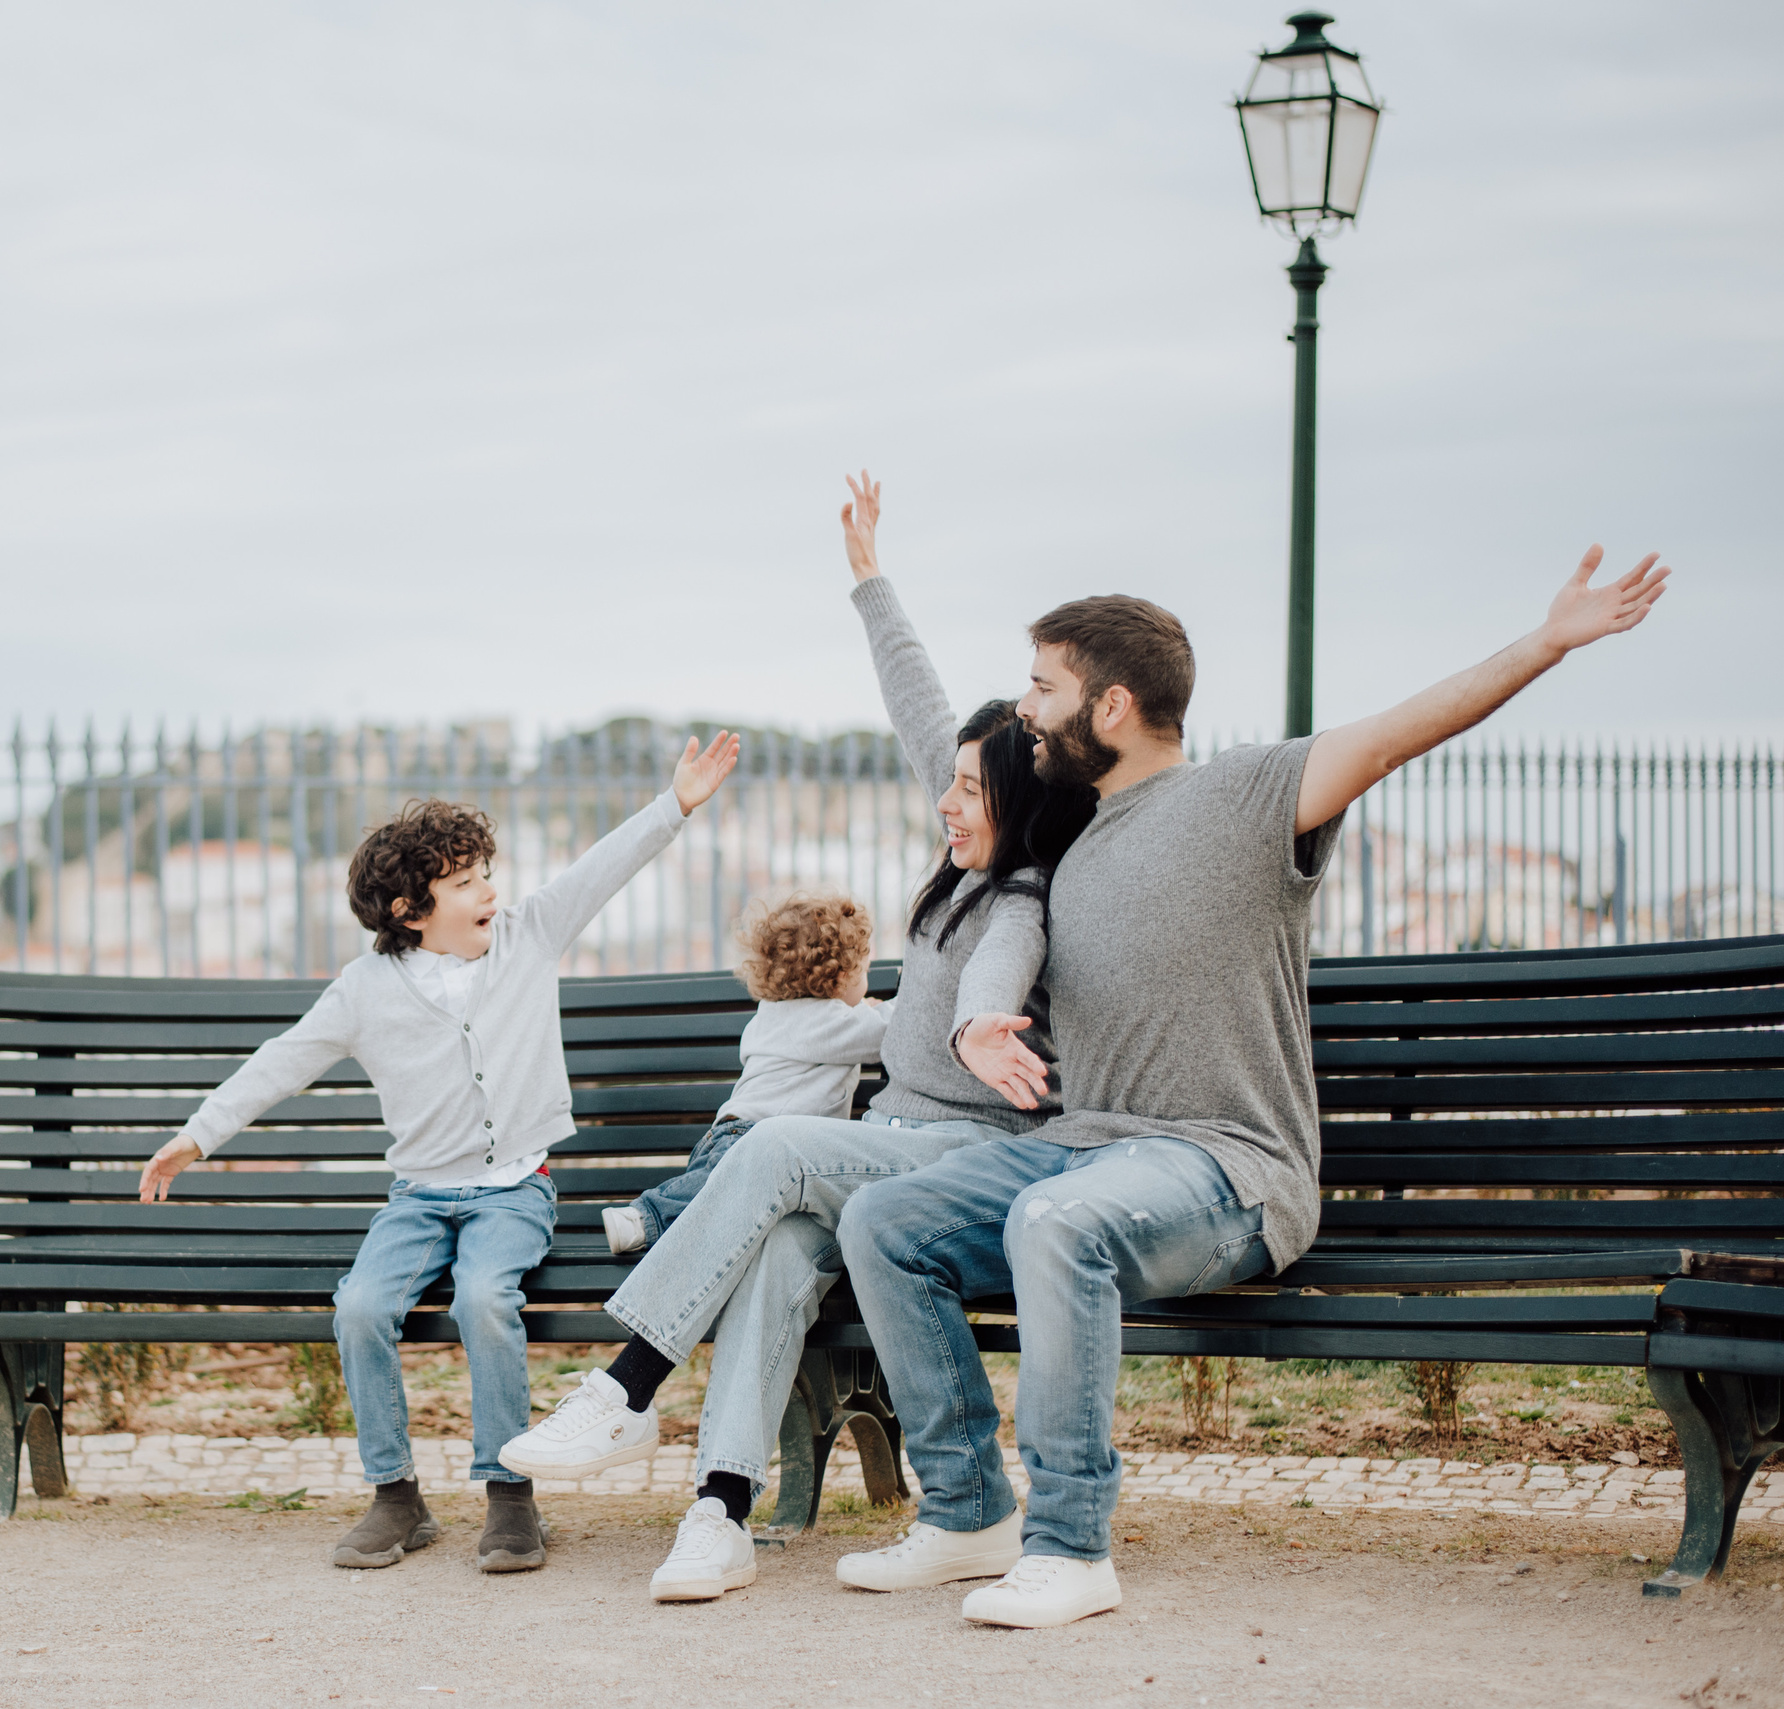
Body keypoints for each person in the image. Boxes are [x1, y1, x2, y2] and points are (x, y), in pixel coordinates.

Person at [834, 545, 1671, 1629]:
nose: (1025, 715)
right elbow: (933, 746)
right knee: (884, 1217)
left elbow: (1402, 727)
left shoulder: (1244, 797)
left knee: (1052, 1219)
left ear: (1115, 703)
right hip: (1085, 1148)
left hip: (1226, 1166)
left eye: (1043, 688)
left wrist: (1548, 639)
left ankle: (1070, 1544)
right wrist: (872, 588)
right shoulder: (1065, 834)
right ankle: (964, 1512)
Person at [496, 474, 1095, 1605]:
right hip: (888, 1144)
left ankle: (624, 1388)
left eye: (967, 788)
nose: (944, 801)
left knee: (774, 1147)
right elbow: (924, 707)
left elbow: (1006, 964)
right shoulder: (968, 854)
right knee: (774, 1251)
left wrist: (974, 1021)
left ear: (1015, 801)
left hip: (963, 1159)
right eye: (951, 783)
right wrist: (869, 578)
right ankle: (719, 1510)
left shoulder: (1022, 892)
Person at [137, 733, 741, 1574]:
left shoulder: (529, 934)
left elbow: (604, 865)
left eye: (486, 873)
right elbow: (284, 1058)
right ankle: (396, 1495)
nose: (490, 891)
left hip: (512, 1192)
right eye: (465, 883)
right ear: (409, 912)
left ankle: (508, 1494)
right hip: (418, 1198)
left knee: (486, 1300)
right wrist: (196, 1134)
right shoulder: (364, 989)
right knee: (358, 1307)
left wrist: (674, 802)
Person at [602, 893, 891, 1256]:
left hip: (728, 1132)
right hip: (756, 1138)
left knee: (720, 1212)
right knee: (711, 1198)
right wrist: (879, 1009)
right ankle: (643, 1219)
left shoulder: (774, 1013)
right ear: (840, 978)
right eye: (864, 971)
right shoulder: (830, 1024)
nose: (867, 982)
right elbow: (890, 1032)